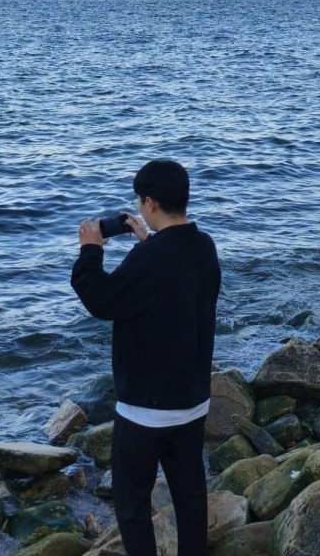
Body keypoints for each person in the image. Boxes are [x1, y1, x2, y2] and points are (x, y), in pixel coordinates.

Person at [71, 159, 221, 556]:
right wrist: (146, 241)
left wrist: (90, 251)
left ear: (150, 203)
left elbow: (101, 299)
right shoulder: (204, 246)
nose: (140, 208)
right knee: (190, 495)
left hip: (145, 411)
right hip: (192, 401)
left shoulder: (149, 259)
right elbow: (169, 285)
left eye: (140, 201)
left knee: (132, 503)